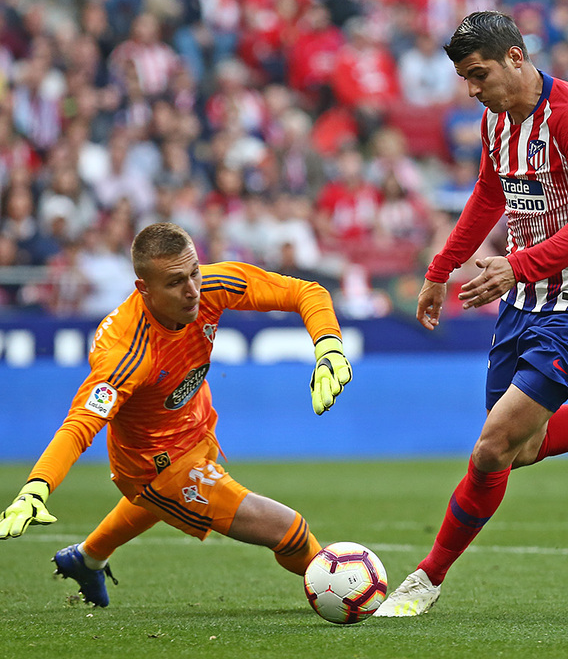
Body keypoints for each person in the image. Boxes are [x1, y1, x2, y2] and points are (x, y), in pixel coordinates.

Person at [374, 11, 568, 618]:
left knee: (492, 447)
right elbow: (490, 194)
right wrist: (441, 271)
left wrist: (516, 267)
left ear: (515, 57)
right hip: (526, 297)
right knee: (519, 448)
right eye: (465, 78)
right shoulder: (496, 120)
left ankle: (425, 579)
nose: (471, 88)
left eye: (478, 73)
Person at [0, 222, 352, 607]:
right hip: (156, 468)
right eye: (175, 283)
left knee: (154, 510)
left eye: (194, 273)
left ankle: (87, 558)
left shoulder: (211, 286)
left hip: (195, 423)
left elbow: (305, 291)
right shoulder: (126, 354)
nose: (192, 291)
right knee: (291, 532)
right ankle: (344, 588)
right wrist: (36, 487)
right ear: (144, 289)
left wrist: (329, 346)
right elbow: (80, 425)